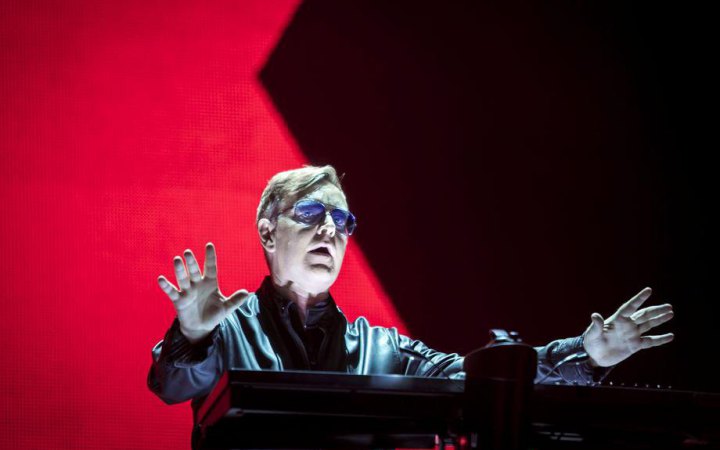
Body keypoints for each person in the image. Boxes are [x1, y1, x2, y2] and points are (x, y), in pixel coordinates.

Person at [147, 165, 674, 414]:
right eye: (310, 213)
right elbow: (170, 387)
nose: (330, 229)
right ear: (268, 232)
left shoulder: (381, 348)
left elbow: (483, 378)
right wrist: (191, 334)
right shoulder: (225, 331)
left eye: (343, 220)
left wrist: (587, 354)